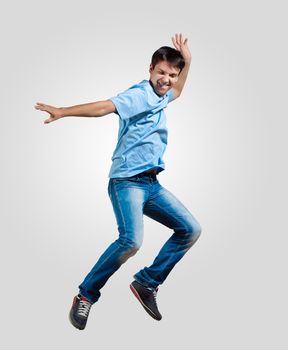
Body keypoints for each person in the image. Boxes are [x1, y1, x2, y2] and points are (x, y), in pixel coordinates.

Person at [35, 33, 201, 330]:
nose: (167, 79)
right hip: (126, 182)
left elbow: (180, 89)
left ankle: (147, 283)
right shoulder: (139, 95)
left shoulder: (164, 94)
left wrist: (187, 62)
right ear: (150, 69)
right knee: (131, 241)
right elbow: (103, 107)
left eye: (172, 75)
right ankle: (85, 295)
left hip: (151, 185)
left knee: (190, 229)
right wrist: (63, 111)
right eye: (161, 72)